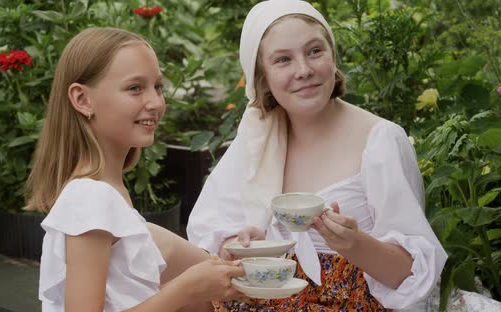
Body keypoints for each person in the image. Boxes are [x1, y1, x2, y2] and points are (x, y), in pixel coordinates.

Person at [186, 1, 448, 311]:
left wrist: (354, 244)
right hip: (265, 299)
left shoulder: (380, 140)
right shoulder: (257, 139)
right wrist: (243, 246)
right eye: (283, 59)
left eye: (314, 51)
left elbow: (409, 275)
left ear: (333, 57)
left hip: (348, 303)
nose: (304, 70)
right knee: (163, 253)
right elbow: (211, 239)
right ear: (262, 78)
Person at [25, 27, 244, 312]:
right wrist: (186, 288)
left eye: (158, 87)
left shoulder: (109, 195)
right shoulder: (90, 198)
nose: (155, 102)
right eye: (135, 88)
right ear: (82, 100)